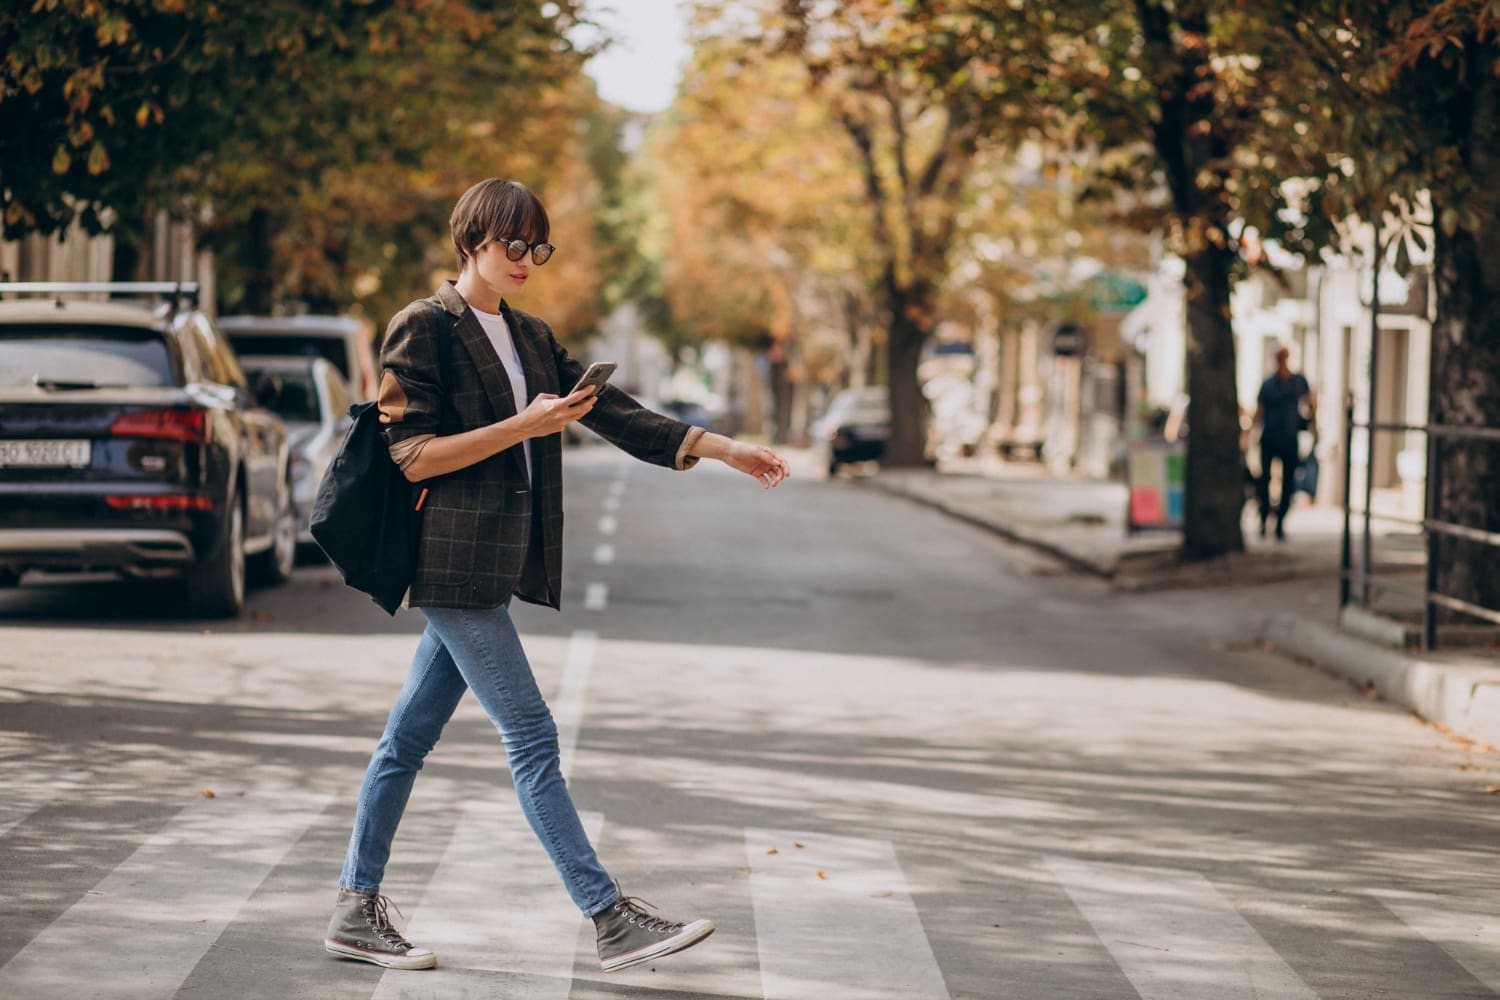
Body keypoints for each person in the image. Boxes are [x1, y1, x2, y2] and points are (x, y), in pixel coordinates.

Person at [323, 179, 791, 975]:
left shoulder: (533, 337)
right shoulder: (423, 327)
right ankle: (609, 917)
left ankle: (353, 908)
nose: (527, 260)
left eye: (539, 247)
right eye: (515, 245)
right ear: (473, 239)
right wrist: (523, 426)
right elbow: (410, 455)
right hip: (449, 568)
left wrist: (725, 449)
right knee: (533, 736)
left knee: (406, 739)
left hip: (492, 567)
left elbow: (619, 415)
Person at [1251, 345, 1316, 540]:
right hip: (1270, 437)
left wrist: (1314, 427)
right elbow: (1259, 411)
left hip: (1289, 438)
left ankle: (1280, 521)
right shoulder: (1269, 384)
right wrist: (1250, 436)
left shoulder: (1298, 382)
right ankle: (1263, 518)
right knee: (1264, 480)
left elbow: (1310, 404)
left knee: (1288, 482)